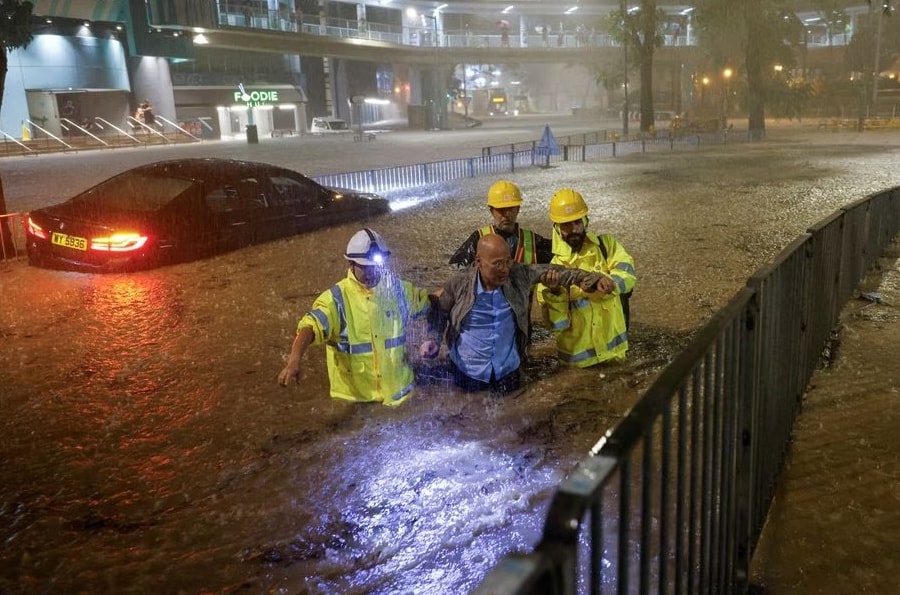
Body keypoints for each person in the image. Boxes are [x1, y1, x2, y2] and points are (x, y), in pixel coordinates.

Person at [277, 229, 437, 406]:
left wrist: (459, 289)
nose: (372, 272)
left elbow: (431, 305)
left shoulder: (399, 290)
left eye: (376, 266)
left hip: (401, 396)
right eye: (365, 267)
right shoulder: (336, 300)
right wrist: (294, 360)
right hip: (357, 403)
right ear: (350, 264)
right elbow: (309, 328)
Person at [432, 233, 605, 395]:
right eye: (498, 263)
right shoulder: (458, 283)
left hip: (508, 373)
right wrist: (433, 339)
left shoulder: (518, 274)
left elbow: (559, 272)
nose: (505, 269)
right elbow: (439, 312)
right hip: (467, 373)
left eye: (508, 261)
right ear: (478, 261)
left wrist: (592, 279)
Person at [537, 188, 636, 368]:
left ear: (585, 220)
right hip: (579, 367)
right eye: (566, 225)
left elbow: (628, 274)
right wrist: (554, 292)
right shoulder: (552, 270)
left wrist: (612, 283)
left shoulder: (607, 246)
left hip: (615, 356)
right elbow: (557, 326)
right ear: (557, 229)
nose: (573, 229)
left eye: (577, 222)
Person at [449, 180, 552, 268]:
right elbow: (458, 269)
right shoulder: (478, 238)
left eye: (511, 208)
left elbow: (559, 253)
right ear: (491, 211)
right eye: (501, 210)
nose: (507, 214)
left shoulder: (532, 241)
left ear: (518, 209)